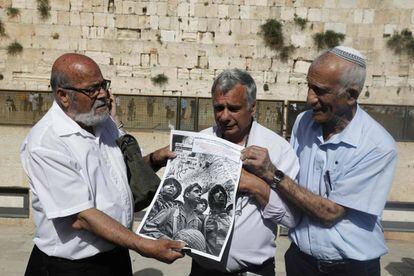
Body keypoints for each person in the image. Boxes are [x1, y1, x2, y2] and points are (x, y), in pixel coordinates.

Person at [20, 53, 184, 276]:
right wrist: (143, 245)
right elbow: (81, 217)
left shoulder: (103, 123)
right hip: (70, 268)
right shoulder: (47, 143)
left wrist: (155, 159)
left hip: (115, 257)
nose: (103, 94)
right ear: (63, 96)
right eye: (92, 89)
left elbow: (122, 176)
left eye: (103, 85)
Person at [242, 46, 397, 276]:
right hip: (300, 262)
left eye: (320, 91)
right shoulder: (304, 123)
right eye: (309, 86)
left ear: (351, 95)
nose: (309, 99)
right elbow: (292, 183)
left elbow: (329, 213)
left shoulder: (377, 145)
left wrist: (271, 173)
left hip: (350, 268)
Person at [190, 69, 300, 276]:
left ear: (253, 106)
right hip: (203, 270)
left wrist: (256, 186)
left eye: (233, 108)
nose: (224, 116)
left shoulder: (277, 149)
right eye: (218, 108)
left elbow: (291, 218)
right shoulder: (200, 142)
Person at [203, 184, 231, 256]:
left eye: (222, 192)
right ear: (211, 198)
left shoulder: (232, 220)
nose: (221, 193)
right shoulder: (205, 220)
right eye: (217, 191)